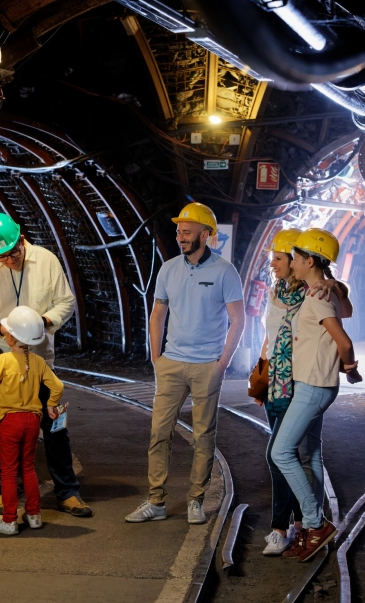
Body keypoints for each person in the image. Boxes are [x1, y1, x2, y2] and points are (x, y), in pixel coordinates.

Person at [0, 212, 92, 517]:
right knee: (3, 431)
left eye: (13, 253)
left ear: (22, 239)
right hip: (2, 363)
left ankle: (67, 492)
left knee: (55, 426)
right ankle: (7, 490)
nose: (9, 261)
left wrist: (43, 322)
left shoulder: (47, 261)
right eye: (2, 258)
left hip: (39, 361)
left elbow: (66, 302)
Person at [125, 202, 245, 525]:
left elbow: (238, 319)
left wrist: (223, 363)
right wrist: (157, 358)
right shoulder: (168, 269)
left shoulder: (225, 272)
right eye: (179, 231)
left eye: (187, 232)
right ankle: (156, 501)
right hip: (172, 364)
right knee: (159, 433)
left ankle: (196, 500)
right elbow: (157, 315)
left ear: (205, 235)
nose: (180, 236)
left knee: (203, 437)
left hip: (208, 366)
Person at [257, 229, 353, 557]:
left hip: (307, 383)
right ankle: (306, 527)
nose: (277, 264)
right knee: (309, 453)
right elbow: (273, 337)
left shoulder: (313, 294)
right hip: (293, 382)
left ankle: (308, 523)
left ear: (305, 260)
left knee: (281, 453)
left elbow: (343, 331)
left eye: (286, 258)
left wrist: (350, 366)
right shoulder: (290, 291)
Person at [0, 306, 65, 535]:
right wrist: (51, 405)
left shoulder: (3, 360)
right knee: (28, 468)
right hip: (32, 422)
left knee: (9, 472)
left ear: (11, 336)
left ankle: (9, 520)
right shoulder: (38, 362)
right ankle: (34, 515)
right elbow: (58, 386)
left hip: (9, 421)